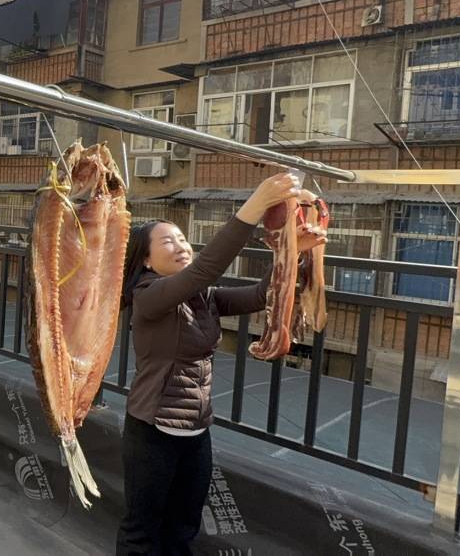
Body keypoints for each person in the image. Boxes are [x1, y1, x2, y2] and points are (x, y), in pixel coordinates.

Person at [115, 172, 326, 555]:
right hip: (152, 431)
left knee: (183, 527)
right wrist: (253, 207)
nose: (180, 245)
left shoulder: (204, 296)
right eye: (167, 241)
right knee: (141, 531)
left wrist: (294, 251)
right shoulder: (149, 296)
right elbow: (204, 270)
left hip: (196, 431)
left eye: (182, 238)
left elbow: (263, 295)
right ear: (146, 260)